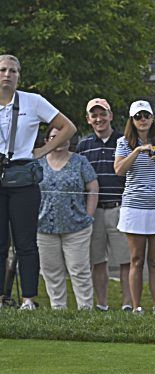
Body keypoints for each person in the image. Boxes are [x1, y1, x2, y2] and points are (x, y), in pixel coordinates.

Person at [0, 54, 77, 311]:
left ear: (19, 75)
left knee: (25, 243)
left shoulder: (32, 102)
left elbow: (67, 127)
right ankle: (1, 297)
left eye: (12, 71)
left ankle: (28, 299)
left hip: (23, 177)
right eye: (2, 70)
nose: (7, 75)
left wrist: (43, 150)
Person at [114, 100, 155, 314]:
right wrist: (138, 150)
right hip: (134, 205)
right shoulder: (124, 142)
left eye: (146, 116)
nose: (143, 120)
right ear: (132, 120)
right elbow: (119, 170)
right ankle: (137, 307)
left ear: (152, 118)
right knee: (136, 259)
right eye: (138, 117)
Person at [77, 98, 131, 311]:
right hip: (94, 211)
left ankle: (128, 304)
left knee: (126, 260)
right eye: (94, 115)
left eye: (103, 114)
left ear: (111, 115)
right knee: (97, 260)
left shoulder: (125, 141)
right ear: (88, 119)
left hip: (120, 207)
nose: (99, 119)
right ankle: (102, 304)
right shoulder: (83, 146)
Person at [37, 126, 98, 310]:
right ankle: (58, 310)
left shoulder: (80, 161)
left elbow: (93, 188)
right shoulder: (37, 162)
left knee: (80, 270)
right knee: (51, 272)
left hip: (77, 227)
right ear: (47, 140)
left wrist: (88, 215)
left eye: (64, 137)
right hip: (44, 227)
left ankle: (85, 310)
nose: (59, 141)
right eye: (55, 137)